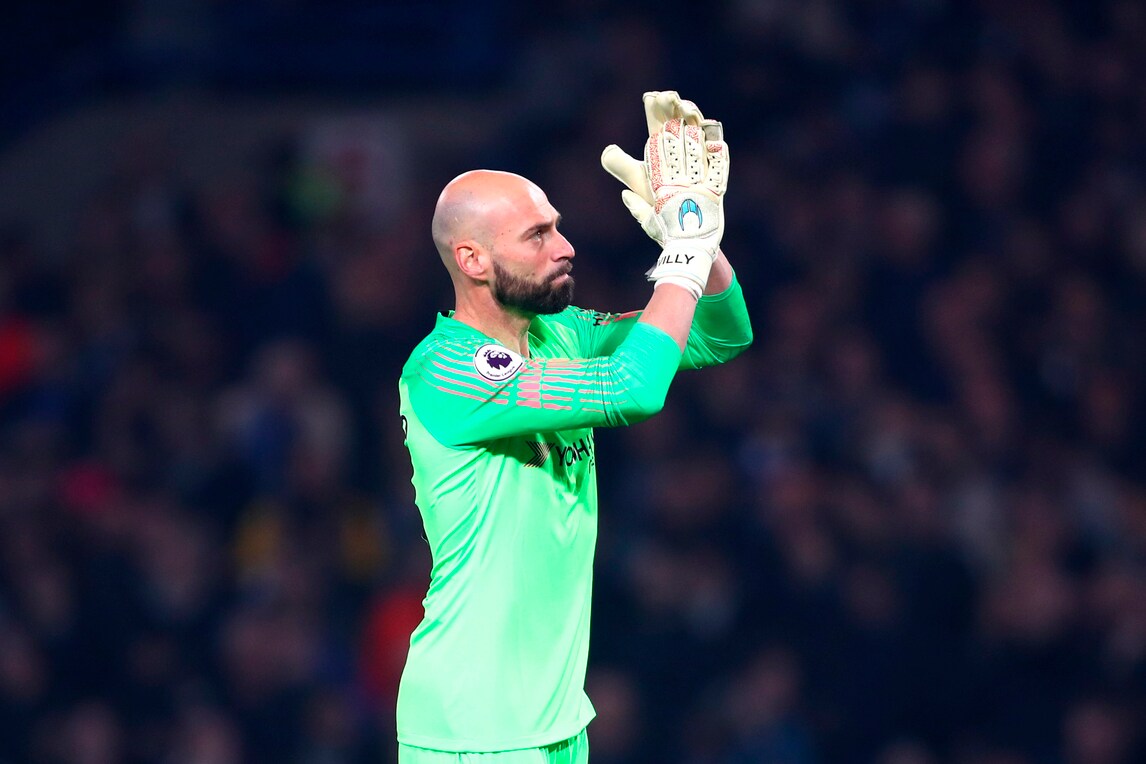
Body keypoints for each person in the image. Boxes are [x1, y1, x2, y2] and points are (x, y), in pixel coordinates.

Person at [395, 91, 752, 763]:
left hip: (557, 719)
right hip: (476, 729)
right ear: (473, 260)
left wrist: (702, 241)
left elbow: (720, 333)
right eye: (537, 235)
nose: (565, 246)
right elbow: (634, 388)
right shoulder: (446, 370)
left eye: (556, 226)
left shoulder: (561, 333)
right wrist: (683, 250)